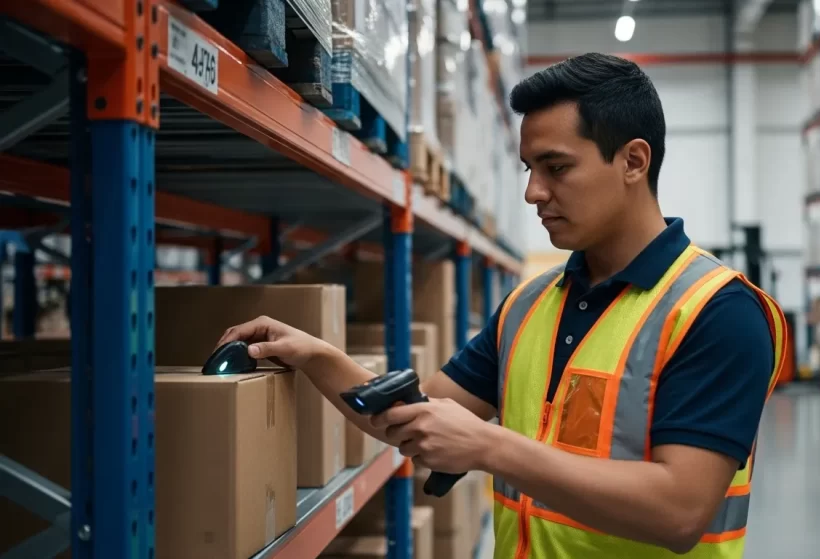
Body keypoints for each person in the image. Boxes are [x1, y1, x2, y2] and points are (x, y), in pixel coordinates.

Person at [218, 53, 787, 558]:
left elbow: (680, 512)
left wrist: (489, 445)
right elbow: (417, 418)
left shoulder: (718, 312)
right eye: (529, 169)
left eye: (556, 167)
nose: (533, 192)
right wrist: (316, 356)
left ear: (634, 161)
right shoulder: (529, 306)